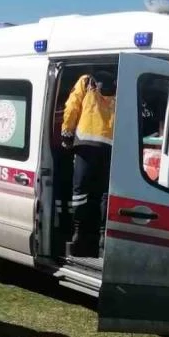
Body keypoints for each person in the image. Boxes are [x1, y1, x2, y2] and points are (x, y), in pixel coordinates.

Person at [61, 69, 116, 256]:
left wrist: (66, 134)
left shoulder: (86, 80)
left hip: (85, 145)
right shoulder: (120, 84)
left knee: (80, 191)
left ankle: (78, 233)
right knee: (104, 193)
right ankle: (102, 236)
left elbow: (71, 107)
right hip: (110, 147)